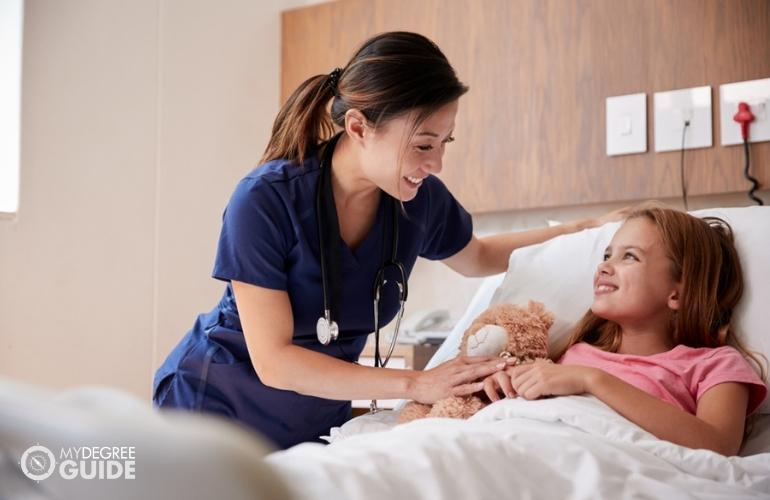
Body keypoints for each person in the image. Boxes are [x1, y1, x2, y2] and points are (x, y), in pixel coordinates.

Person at [153, 31, 626, 450]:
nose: (437, 163)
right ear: (358, 127)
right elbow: (275, 361)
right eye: (424, 144)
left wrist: (579, 231)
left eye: (446, 143)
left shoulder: (418, 201)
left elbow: (477, 255)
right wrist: (419, 383)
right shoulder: (264, 200)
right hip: (215, 410)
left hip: (314, 421)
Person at [482, 203, 768, 456]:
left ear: (678, 294)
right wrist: (508, 387)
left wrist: (592, 380)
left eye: (629, 256)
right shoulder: (575, 352)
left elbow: (718, 445)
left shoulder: (714, 365)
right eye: (607, 255)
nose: (604, 266)